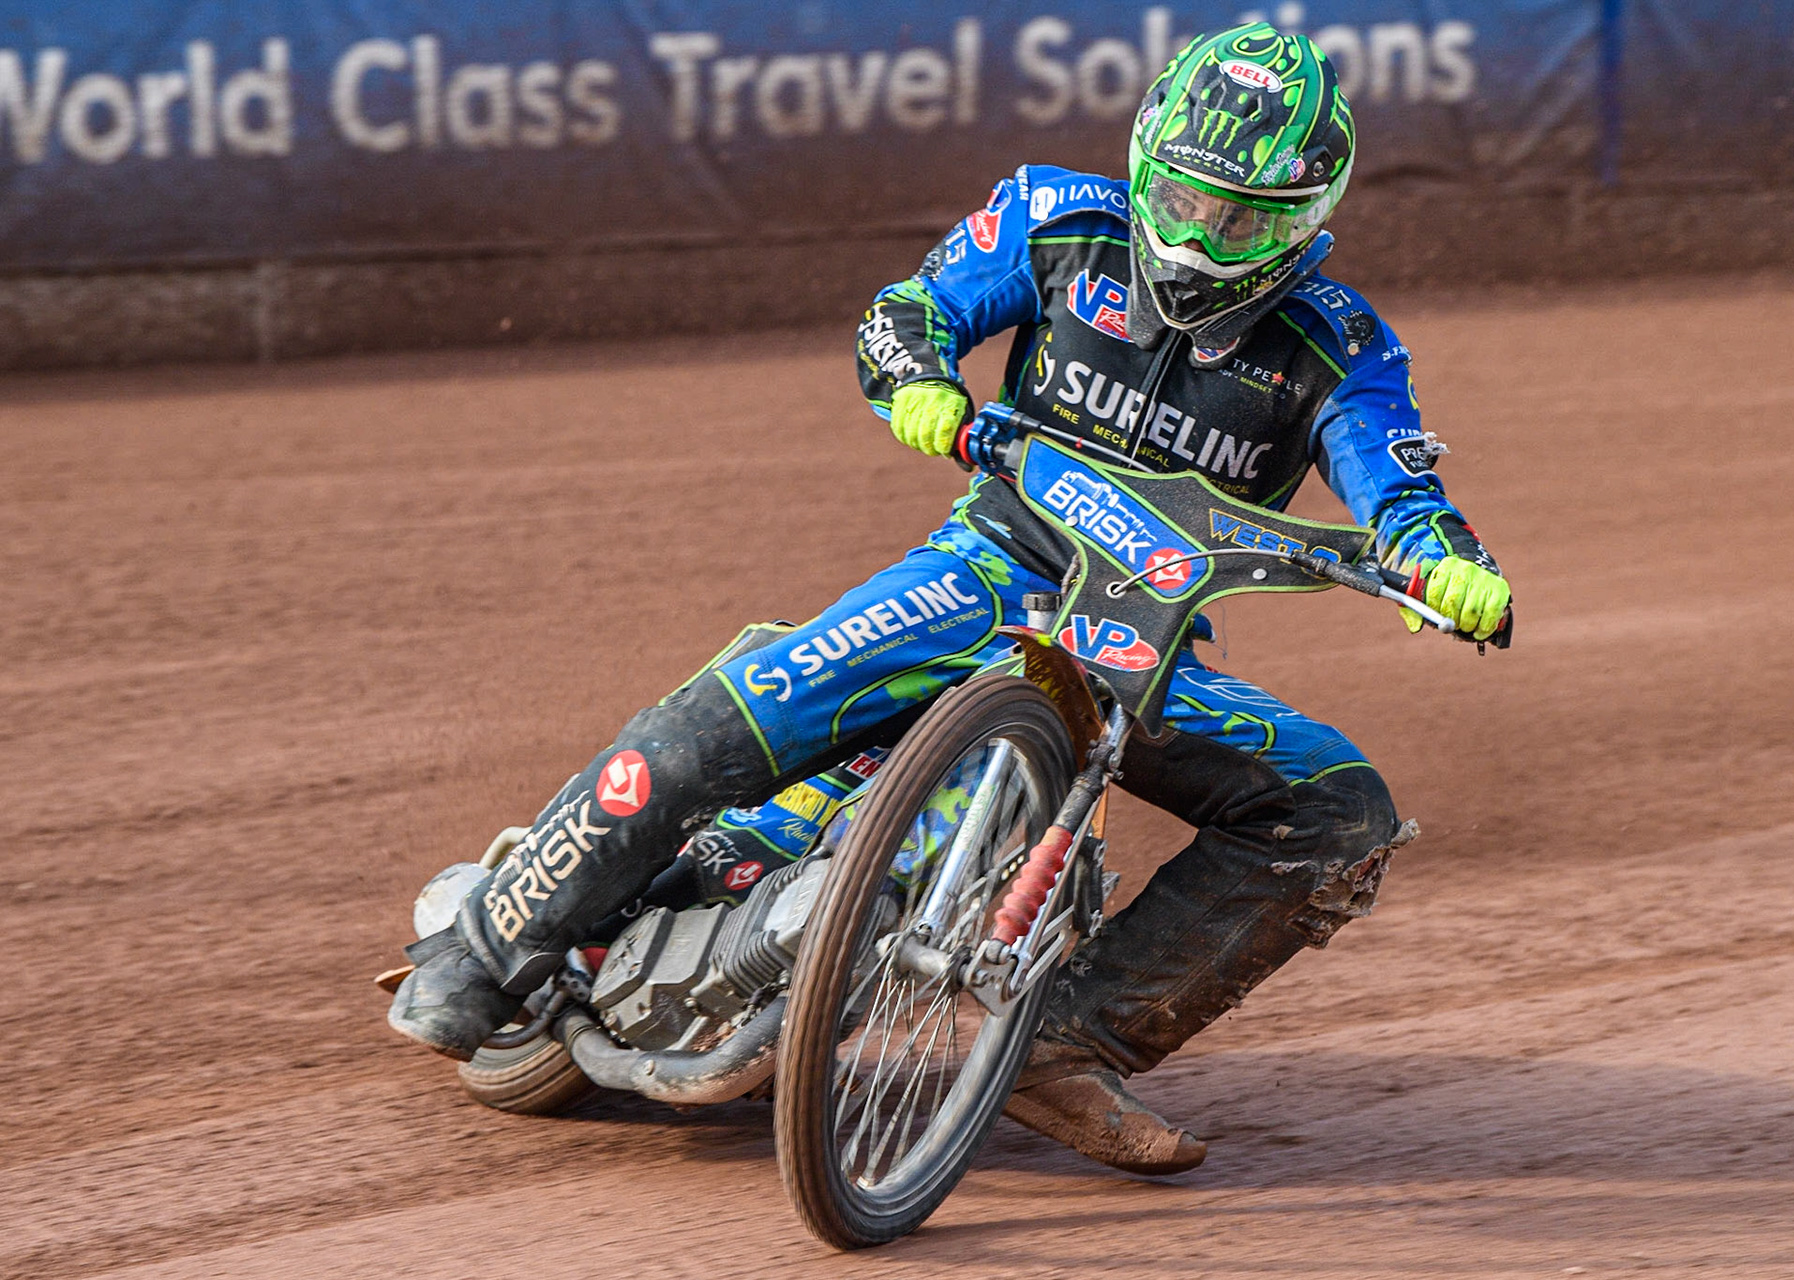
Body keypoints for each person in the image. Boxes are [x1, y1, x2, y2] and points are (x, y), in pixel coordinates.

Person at [388, 24, 1511, 1176]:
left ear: (1311, 216)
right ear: (1144, 155)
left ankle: (1061, 1041)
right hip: (980, 567)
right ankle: (487, 941)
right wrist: (920, 380)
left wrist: (1444, 564)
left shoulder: (1343, 343)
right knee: (724, 718)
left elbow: (1397, 486)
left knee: (1338, 810)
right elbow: (905, 312)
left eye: (1243, 217)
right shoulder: (1057, 216)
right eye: (1178, 196)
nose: (1198, 234)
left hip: (1143, 637)